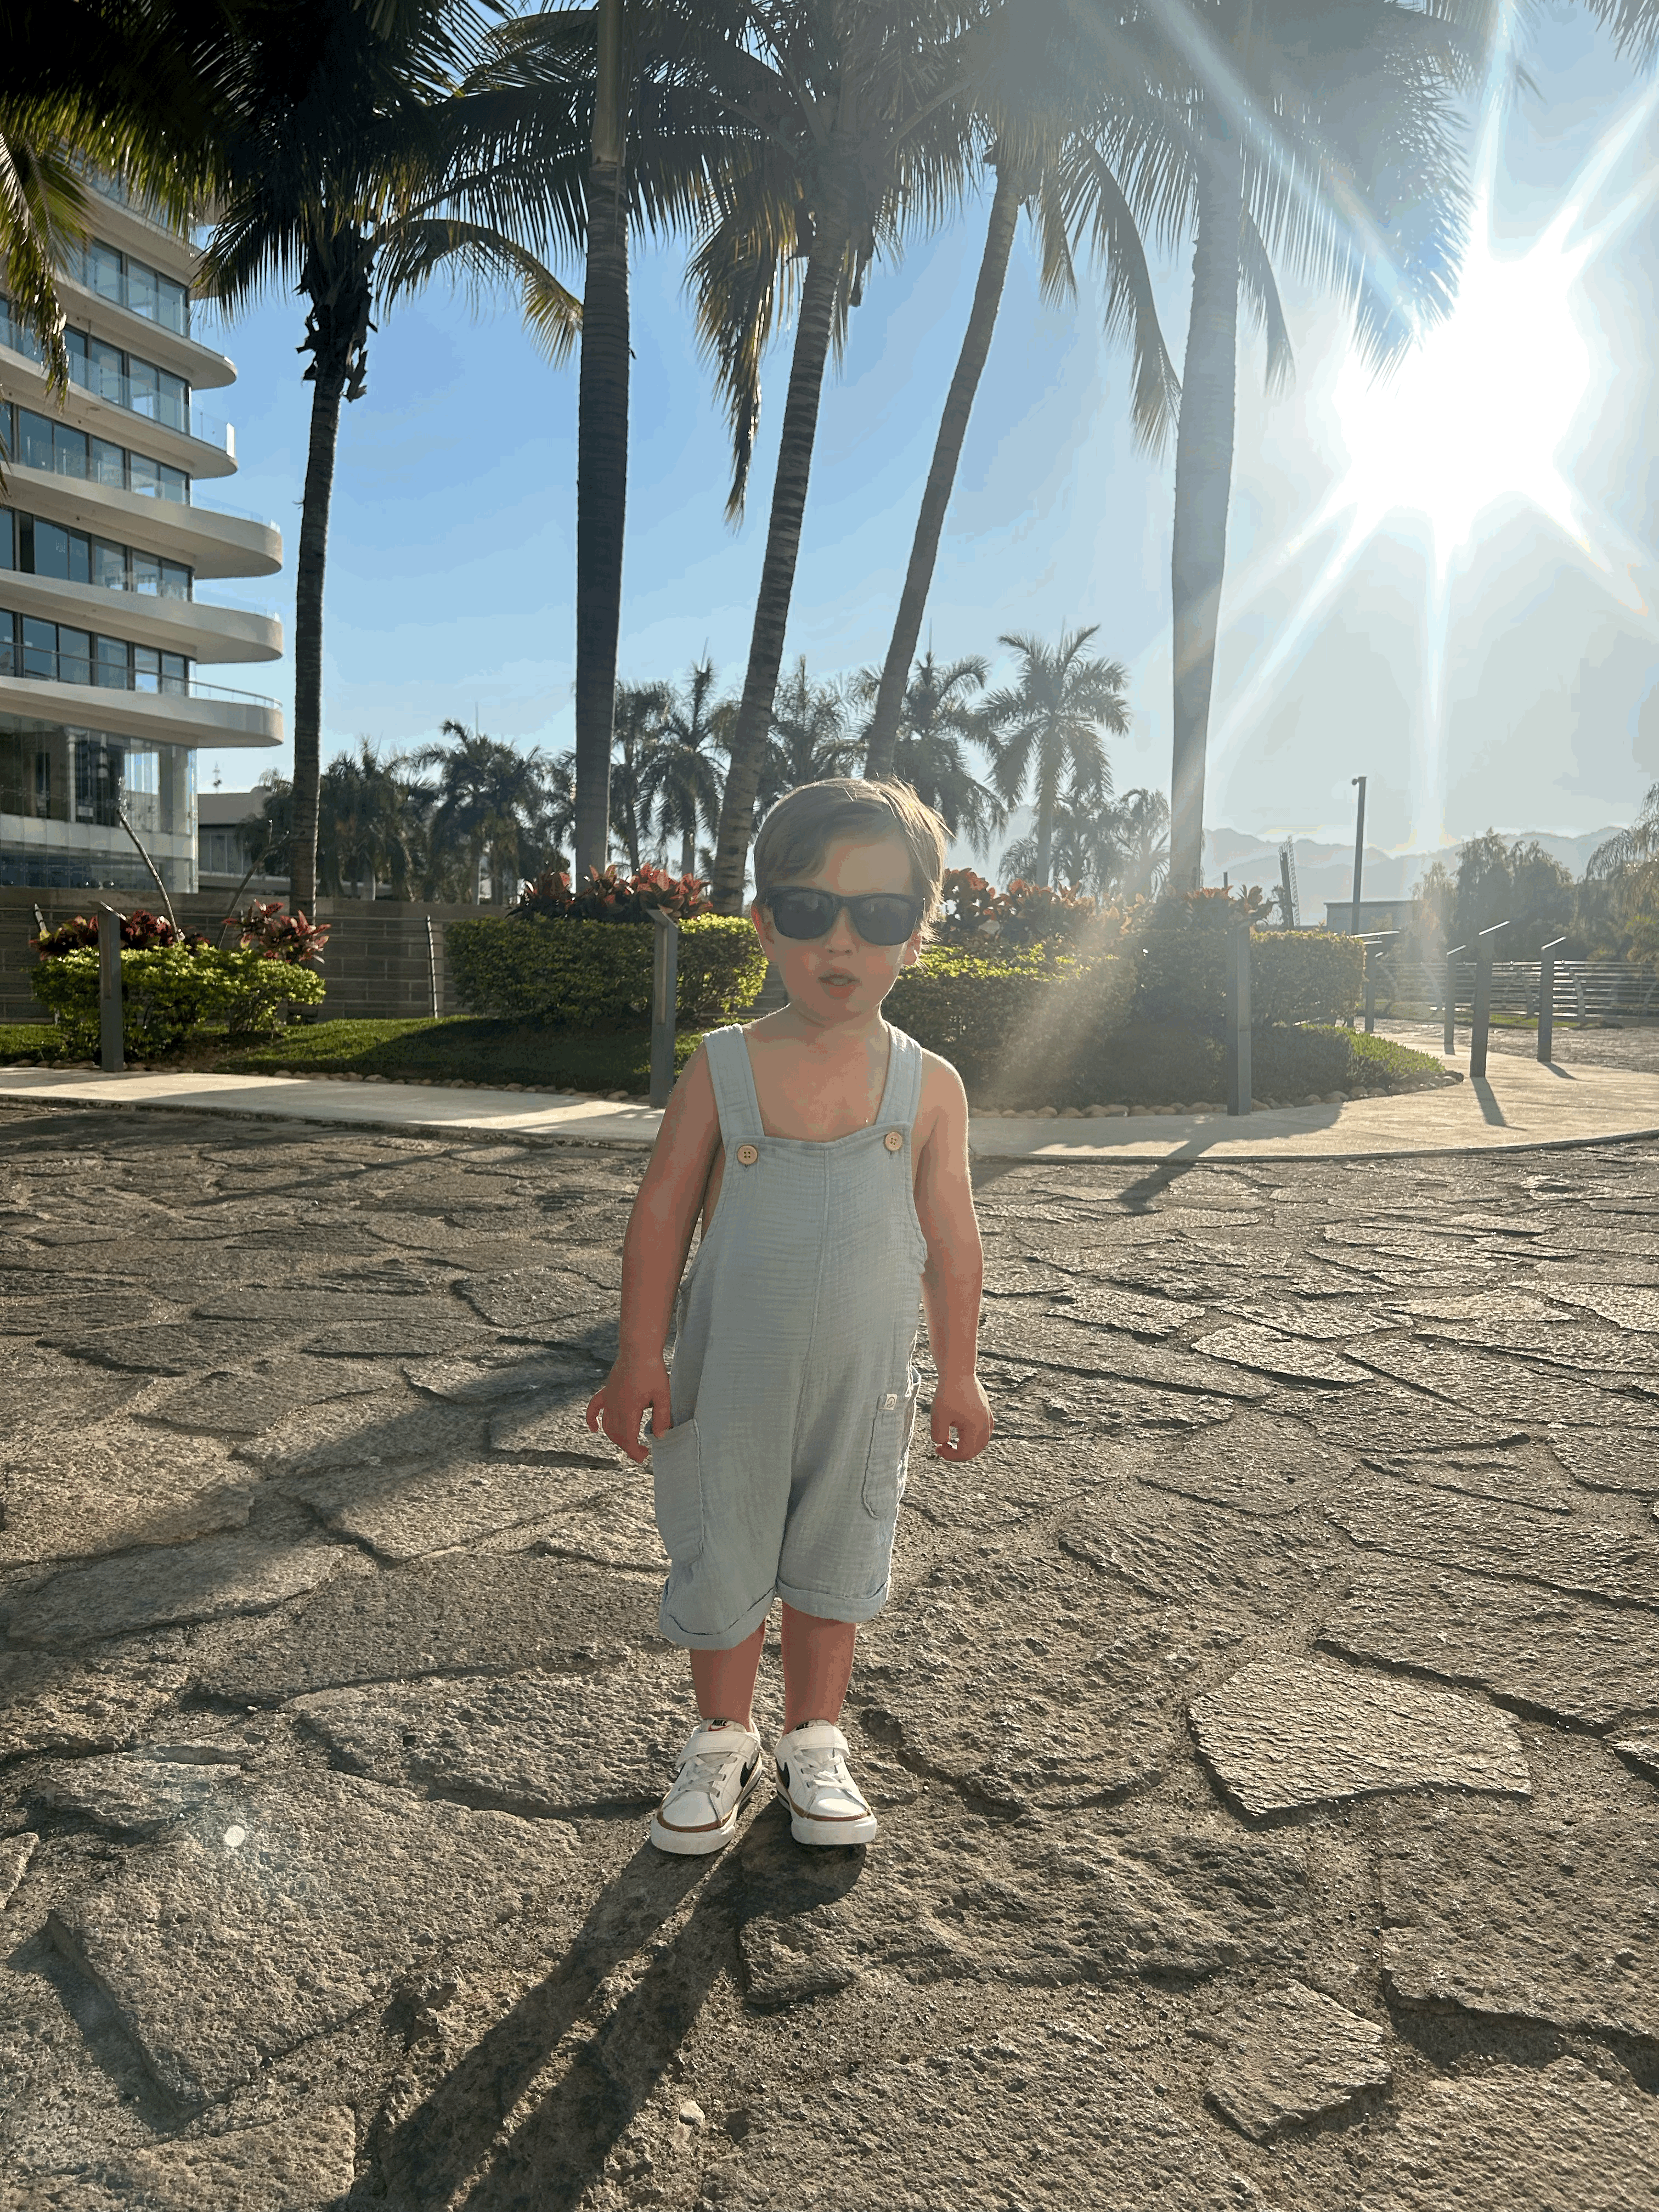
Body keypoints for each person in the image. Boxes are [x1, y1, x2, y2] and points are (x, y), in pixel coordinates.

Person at [586, 777, 992, 1855]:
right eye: (809, 910)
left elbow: (953, 1242)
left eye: (880, 914)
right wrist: (639, 1355)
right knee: (724, 1549)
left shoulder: (931, 1088)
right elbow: (662, 1214)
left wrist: (960, 1372)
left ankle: (815, 1736)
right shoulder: (725, 1067)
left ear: (918, 934)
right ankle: (721, 1737)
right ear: (766, 924)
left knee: (837, 1552)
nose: (840, 942)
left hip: (864, 1389)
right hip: (731, 1379)